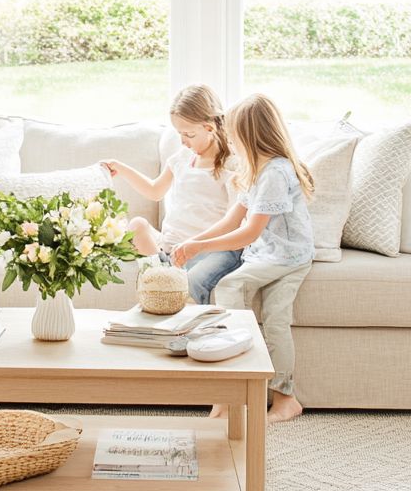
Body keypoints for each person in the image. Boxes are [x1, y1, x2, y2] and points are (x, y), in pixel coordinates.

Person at [172, 94, 315, 423]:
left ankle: (241, 391)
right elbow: (231, 221)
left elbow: (248, 232)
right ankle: (267, 398)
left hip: (288, 257)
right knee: (277, 322)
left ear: (251, 137)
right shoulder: (254, 170)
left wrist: (199, 249)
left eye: (234, 136)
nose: (230, 143)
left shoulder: (276, 173)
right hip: (269, 255)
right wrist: (194, 241)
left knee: (229, 286)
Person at [100, 84, 241, 304]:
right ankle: (162, 280)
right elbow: (155, 191)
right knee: (137, 225)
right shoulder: (182, 158)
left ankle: (168, 288)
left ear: (210, 128)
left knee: (193, 281)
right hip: (170, 249)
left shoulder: (231, 165)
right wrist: (122, 168)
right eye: (179, 134)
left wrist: (194, 243)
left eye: (189, 134)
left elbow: (233, 222)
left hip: (209, 249)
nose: (183, 141)